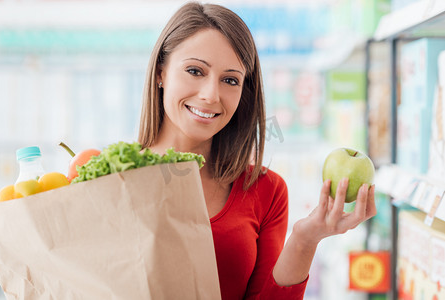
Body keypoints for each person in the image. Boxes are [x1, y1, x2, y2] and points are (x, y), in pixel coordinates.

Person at [138, 2, 376, 299]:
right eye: (195, 71)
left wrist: (305, 239)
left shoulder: (265, 190)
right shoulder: (112, 178)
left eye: (230, 80)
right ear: (161, 72)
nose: (211, 95)